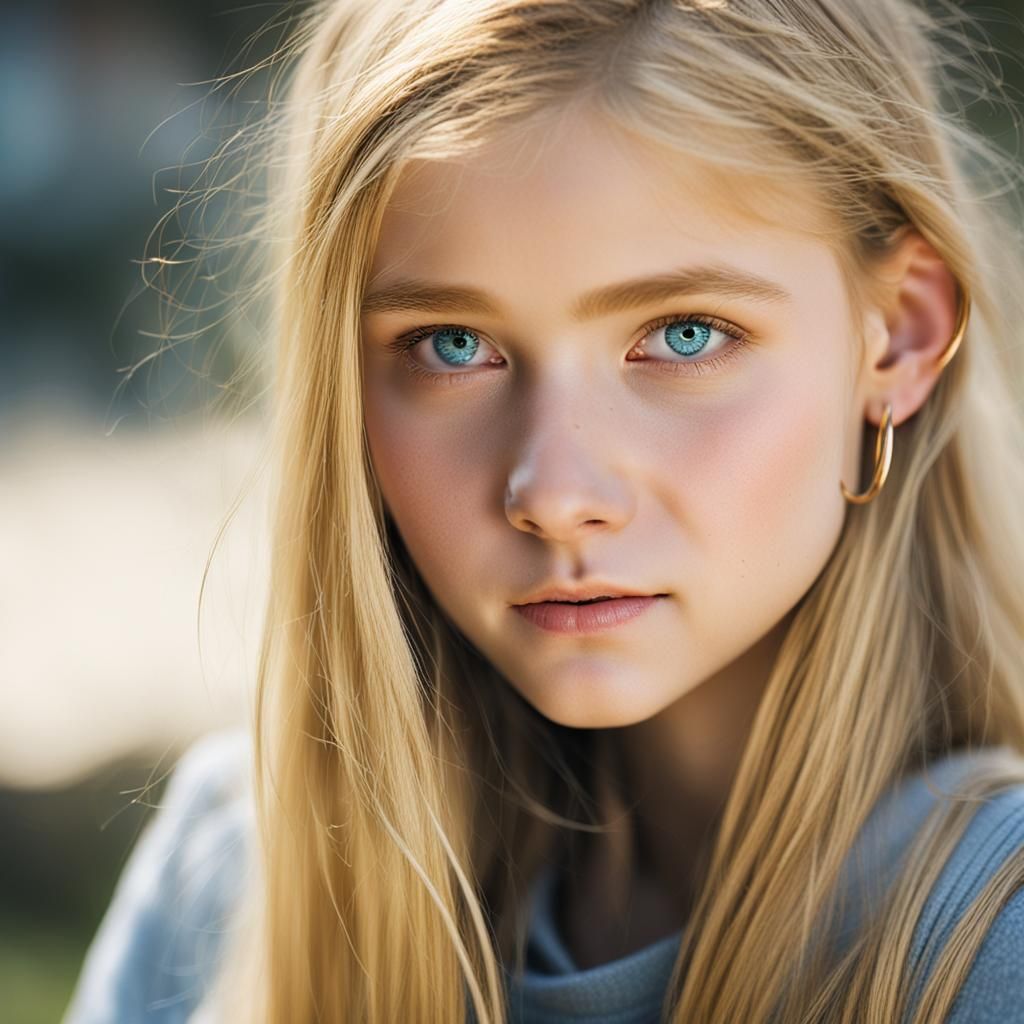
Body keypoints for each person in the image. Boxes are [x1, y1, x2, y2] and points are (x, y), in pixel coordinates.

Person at [63, 0, 1024, 1021]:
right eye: (451, 345)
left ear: (898, 337)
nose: (554, 495)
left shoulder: (991, 941)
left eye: (687, 334)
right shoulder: (240, 872)